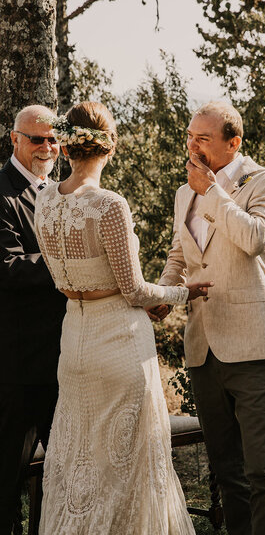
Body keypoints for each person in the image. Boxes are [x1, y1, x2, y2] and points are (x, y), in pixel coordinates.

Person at [34, 101, 212, 534]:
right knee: (129, 465)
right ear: (109, 148)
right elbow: (133, 290)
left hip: (73, 343)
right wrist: (180, 291)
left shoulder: (44, 201)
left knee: (81, 458)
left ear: (67, 147)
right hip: (117, 342)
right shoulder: (109, 204)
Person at [153, 101, 265, 535]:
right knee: (227, 472)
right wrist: (162, 293)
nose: (192, 146)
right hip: (203, 347)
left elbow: (254, 238)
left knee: (264, 470)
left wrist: (212, 190)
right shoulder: (184, 193)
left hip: (252, 344)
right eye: (190, 136)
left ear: (233, 143)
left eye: (203, 139)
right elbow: (181, 254)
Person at [0, 105, 66, 535]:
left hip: (67, 361)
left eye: (52, 139)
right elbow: (7, 266)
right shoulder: (0, 192)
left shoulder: (65, 193)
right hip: (15, 364)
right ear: (14, 139)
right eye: (36, 138)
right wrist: (68, 264)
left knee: (63, 475)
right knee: (5, 477)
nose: (46, 147)